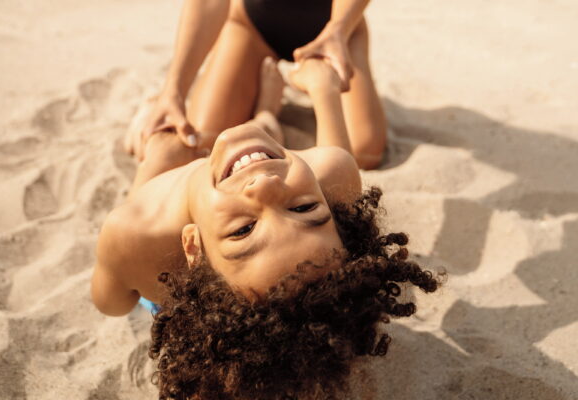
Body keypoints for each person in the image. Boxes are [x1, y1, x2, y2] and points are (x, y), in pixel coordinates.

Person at [92, 59, 440, 399]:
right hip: (245, 287)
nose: (266, 186)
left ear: (192, 248)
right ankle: (266, 119)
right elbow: (336, 151)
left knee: (167, 147)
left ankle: (261, 121)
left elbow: (110, 303)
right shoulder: (328, 172)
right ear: (334, 208)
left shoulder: (136, 230)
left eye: (243, 231)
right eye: (304, 208)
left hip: (197, 312)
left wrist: (154, 159)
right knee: (261, 140)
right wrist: (324, 89)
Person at [123, 0, 387, 169]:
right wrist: (174, 91)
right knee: (203, 140)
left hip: (337, 25)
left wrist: (338, 30)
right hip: (255, 22)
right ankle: (266, 111)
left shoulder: (339, 28)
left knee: (364, 153)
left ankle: (267, 109)